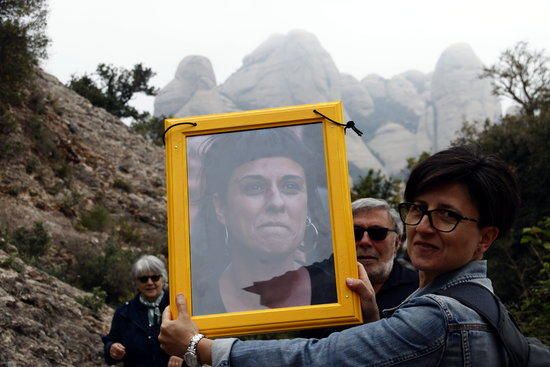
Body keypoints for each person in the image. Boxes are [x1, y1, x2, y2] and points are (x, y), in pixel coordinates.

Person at [159, 145, 521, 366]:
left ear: (484, 238)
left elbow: (319, 359)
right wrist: (373, 324)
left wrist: (198, 346)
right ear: (220, 207)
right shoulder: (471, 302)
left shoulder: (440, 316)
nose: (424, 226)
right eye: (418, 209)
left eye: (447, 216)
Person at [190, 126, 336, 315]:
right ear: (221, 207)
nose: (276, 202)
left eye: (291, 186)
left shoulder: (337, 294)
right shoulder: (195, 304)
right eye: (254, 187)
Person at [302, 197, 418, 338]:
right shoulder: (314, 282)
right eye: (355, 233)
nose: (364, 241)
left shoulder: (417, 292)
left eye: (378, 233)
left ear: (397, 242)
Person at [103, 255, 176, 367]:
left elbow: (196, 338)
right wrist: (111, 349)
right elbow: (110, 346)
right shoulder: (124, 313)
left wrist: (182, 354)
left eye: (155, 277)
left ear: (163, 278)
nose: (150, 282)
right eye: (143, 279)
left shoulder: (177, 307)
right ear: (136, 282)